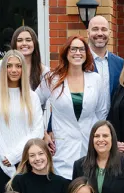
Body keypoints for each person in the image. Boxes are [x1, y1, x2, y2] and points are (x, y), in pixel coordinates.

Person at [37, 36, 109, 178]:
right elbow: (33, 105)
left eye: (81, 49)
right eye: (73, 49)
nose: (78, 53)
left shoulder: (95, 79)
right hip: (62, 146)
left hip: (89, 143)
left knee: (87, 188)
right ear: (66, 52)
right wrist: (43, 133)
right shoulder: (52, 78)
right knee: (64, 187)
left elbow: (102, 112)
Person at [0, 50, 44, 193]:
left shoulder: (32, 96)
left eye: (18, 66)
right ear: (3, 68)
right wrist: (7, 162)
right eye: (9, 66)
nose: (14, 70)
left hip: (25, 161)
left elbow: (37, 131)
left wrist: (15, 156)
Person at [0, 26, 48, 92]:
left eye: (28, 40)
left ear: (35, 43)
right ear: (14, 43)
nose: (24, 43)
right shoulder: (3, 65)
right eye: (20, 40)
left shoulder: (44, 71)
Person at [87, 15, 124, 99]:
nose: (100, 33)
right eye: (95, 29)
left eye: (104, 29)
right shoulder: (79, 63)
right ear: (88, 33)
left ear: (109, 33)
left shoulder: (120, 64)